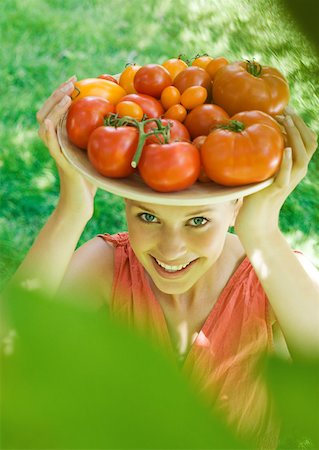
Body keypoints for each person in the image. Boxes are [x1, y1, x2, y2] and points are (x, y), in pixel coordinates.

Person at [3, 75, 319, 448]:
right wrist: (72, 209)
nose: (171, 250)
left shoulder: (274, 277)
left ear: (237, 207)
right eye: (147, 217)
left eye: (198, 220)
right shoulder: (109, 267)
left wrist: (263, 233)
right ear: (125, 206)